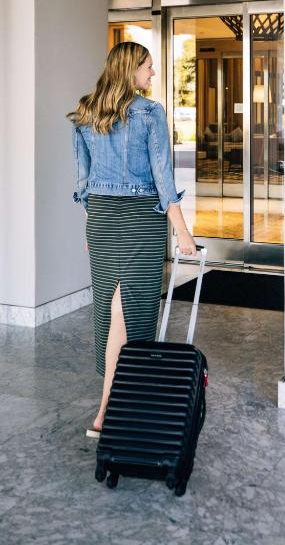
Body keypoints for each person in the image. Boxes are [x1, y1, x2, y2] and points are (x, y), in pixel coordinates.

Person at [67, 41, 196, 437]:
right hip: (141, 219)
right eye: (148, 66)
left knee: (113, 309)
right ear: (130, 68)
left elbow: (83, 183)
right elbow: (163, 178)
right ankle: (109, 407)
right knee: (131, 308)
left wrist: (91, 225)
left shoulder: (86, 112)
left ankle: (116, 400)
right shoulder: (150, 112)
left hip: (102, 220)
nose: (152, 73)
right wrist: (183, 231)